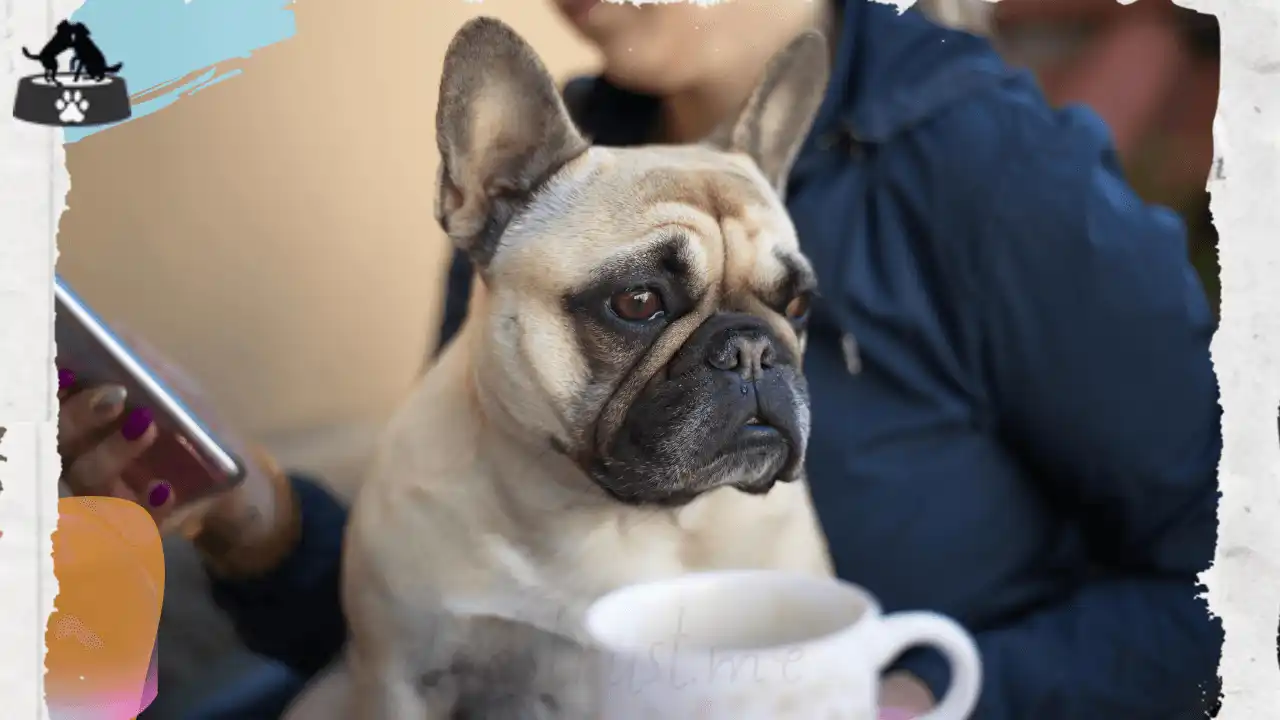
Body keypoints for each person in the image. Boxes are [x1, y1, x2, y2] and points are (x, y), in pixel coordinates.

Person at [58, 1, 1221, 717]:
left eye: (783, 314)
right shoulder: (547, 182)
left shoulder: (997, 174)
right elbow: (437, 632)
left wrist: (924, 696)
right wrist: (252, 511)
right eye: (633, 305)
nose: (750, 367)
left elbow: (1231, 581)